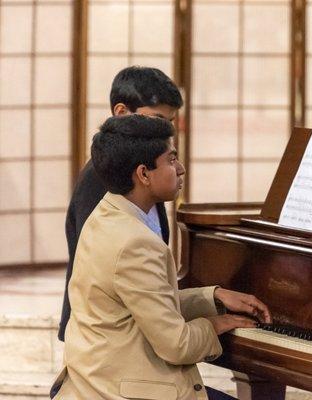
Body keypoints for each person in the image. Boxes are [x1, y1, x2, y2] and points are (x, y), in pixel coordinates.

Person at [51, 115, 271, 399]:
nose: (180, 169)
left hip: (96, 377)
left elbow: (147, 303)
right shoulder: (135, 242)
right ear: (143, 174)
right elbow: (177, 345)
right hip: (121, 389)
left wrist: (213, 297)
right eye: (171, 160)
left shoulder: (104, 214)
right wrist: (218, 324)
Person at [59, 66, 183, 341]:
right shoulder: (102, 177)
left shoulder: (147, 172)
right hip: (107, 337)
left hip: (136, 322)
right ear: (121, 112)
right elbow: (97, 266)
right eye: (158, 119)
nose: (165, 131)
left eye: (170, 122)